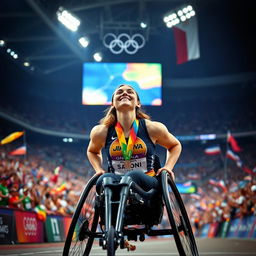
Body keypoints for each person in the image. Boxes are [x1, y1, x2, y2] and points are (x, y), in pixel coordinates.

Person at [87, 84, 182, 194]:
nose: (124, 93)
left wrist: (168, 167)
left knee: (133, 176)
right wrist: (98, 169)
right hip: (117, 181)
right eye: (119, 92)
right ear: (112, 103)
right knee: (104, 180)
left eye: (130, 91)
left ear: (138, 103)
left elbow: (175, 145)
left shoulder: (153, 128)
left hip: (148, 183)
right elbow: (92, 151)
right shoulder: (101, 132)